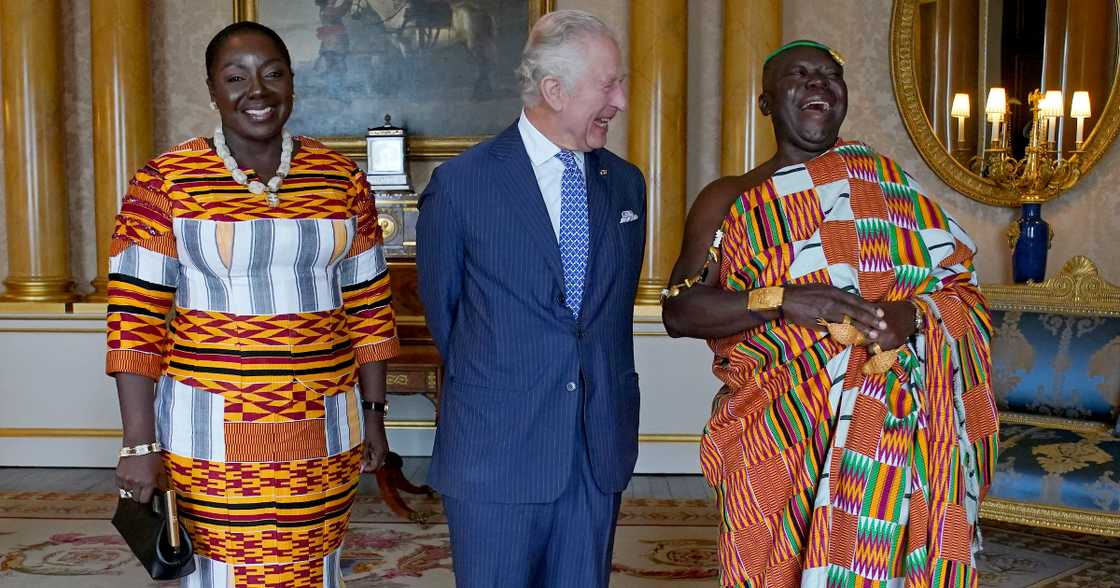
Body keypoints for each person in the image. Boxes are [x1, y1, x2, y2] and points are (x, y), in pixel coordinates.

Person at [662, 40, 999, 587]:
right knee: (762, 565)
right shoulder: (729, 197)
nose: (819, 82)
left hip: (886, 431)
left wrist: (913, 317)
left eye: (830, 75)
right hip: (775, 429)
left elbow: (963, 293)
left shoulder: (888, 189)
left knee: (873, 565)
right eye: (799, 74)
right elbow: (679, 310)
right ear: (767, 102)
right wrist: (782, 299)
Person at [105, 21, 399, 587]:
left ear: (292, 82)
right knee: (222, 569)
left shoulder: (341, 179)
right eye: (235, 77)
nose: (256, 91)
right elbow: (133, 322)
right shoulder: (165, 182)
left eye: (273, 74)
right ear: (213, 90)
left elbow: (370, 307)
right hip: (207, 432)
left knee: (313, 565)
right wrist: (139, 444)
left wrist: (375, 415)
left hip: (326, 427)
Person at [416, 9, 644, 587]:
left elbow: (605, 316)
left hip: (596, 448)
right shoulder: (462, 185)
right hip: (497, 449)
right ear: (554, 90)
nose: (619, 98)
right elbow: (446, 316)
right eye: (609, 83)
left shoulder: (626, 183)